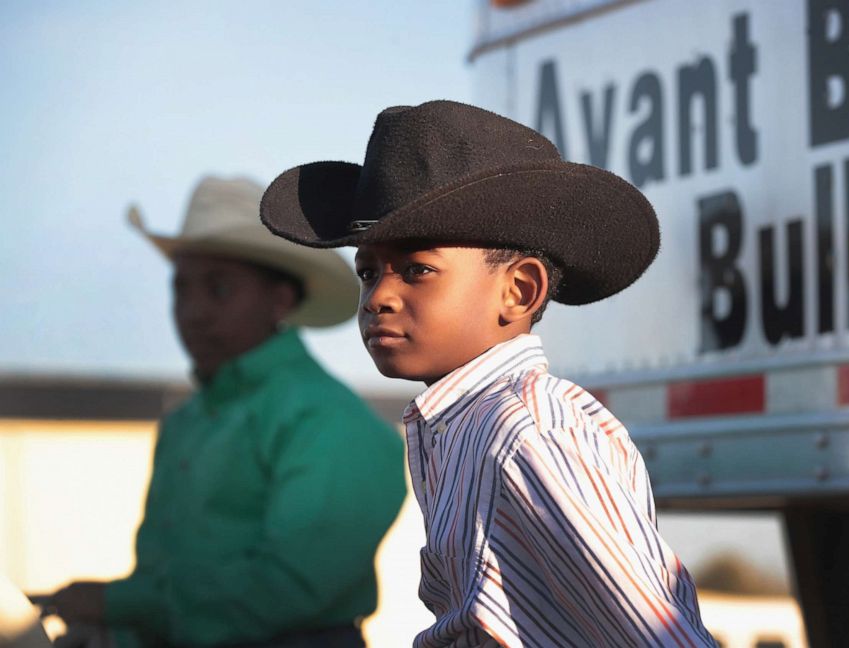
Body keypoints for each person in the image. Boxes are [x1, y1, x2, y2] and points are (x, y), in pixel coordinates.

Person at [260, 101, 717, 647]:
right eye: (368, 271)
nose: (380, 296)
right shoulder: (459, 426)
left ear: (518, 291)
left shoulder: (530, 434)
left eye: (417, 270)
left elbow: (654, 636)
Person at [50, 176, 406, 648]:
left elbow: (289, 589)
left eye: (218, 289)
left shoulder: (331, 423)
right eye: (181, 289)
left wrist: (116, 607)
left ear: (280, 299)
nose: (192, 312)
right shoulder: (187, 423)